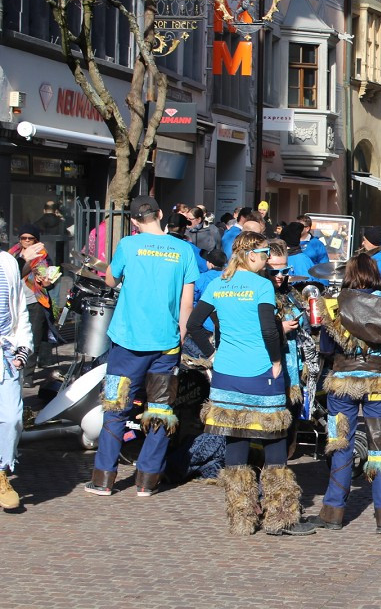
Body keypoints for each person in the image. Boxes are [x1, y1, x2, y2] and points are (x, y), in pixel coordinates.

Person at [186, 231, 314, 537]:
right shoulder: (260, 286)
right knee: (274, 441)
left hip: (227, 374)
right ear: (252, 254)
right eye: (266, 253)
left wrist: (212, 356)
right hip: (260, 372)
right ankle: (279, 517)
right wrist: (277, 362)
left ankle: (241, 518)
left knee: (236, 441)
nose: (268, 259)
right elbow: (269, 330)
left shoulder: (218, 284)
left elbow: (193, 324)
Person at [86, 196, 198, 498]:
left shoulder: (127, 245)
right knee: (161, 409)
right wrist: (182, 337)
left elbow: (110, 279)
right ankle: (147, 481)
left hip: (126, 342)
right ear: (161, 214)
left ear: (135, 221)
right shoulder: (184, 250)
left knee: (115, 407)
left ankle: (103, 480)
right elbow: (187, 302)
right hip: (166, 345)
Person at [309, 253, 381, 534]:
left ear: (348, 275)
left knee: (340, 444)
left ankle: (333, 512)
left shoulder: (333, 305)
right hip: (380, 384)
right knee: (380, 449)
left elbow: (326, 350)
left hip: (341, 386)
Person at [266, 240, 318, 414]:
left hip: (294, 368)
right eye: (274, 270)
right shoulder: (259, 293)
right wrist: (280, 329)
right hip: (269, 370)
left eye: (285, 270)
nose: (280, 275)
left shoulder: (289, 292)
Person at [0, 249, 33, 509]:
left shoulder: (8, 262)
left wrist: (24, 346)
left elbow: (20, 309)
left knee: (12, 419)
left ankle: (1, 471)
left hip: (6, 354)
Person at [8, 225, 55, 375]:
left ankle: (28, 374)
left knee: (32, 338)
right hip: (14, 302)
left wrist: (48, 283)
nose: (27, 241)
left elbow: (50, 280)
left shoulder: (43, 257)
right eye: (24, 238)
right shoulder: (11, 255)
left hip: (35, 300)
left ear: (36, 240)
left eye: (30, 238)